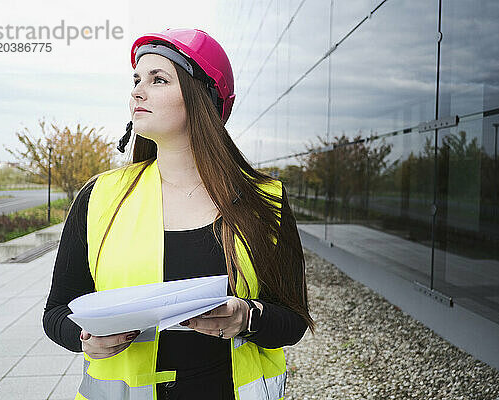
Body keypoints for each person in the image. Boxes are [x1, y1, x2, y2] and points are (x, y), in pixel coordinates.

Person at [42, 28, 315, 400]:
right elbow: (57, 312)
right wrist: (84, 338)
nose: (137, 91)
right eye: (137, 80)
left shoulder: (264, 201)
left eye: (158, 79)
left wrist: (247, 317)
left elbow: (293, 321)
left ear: (201, 98)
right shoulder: (99, 196)